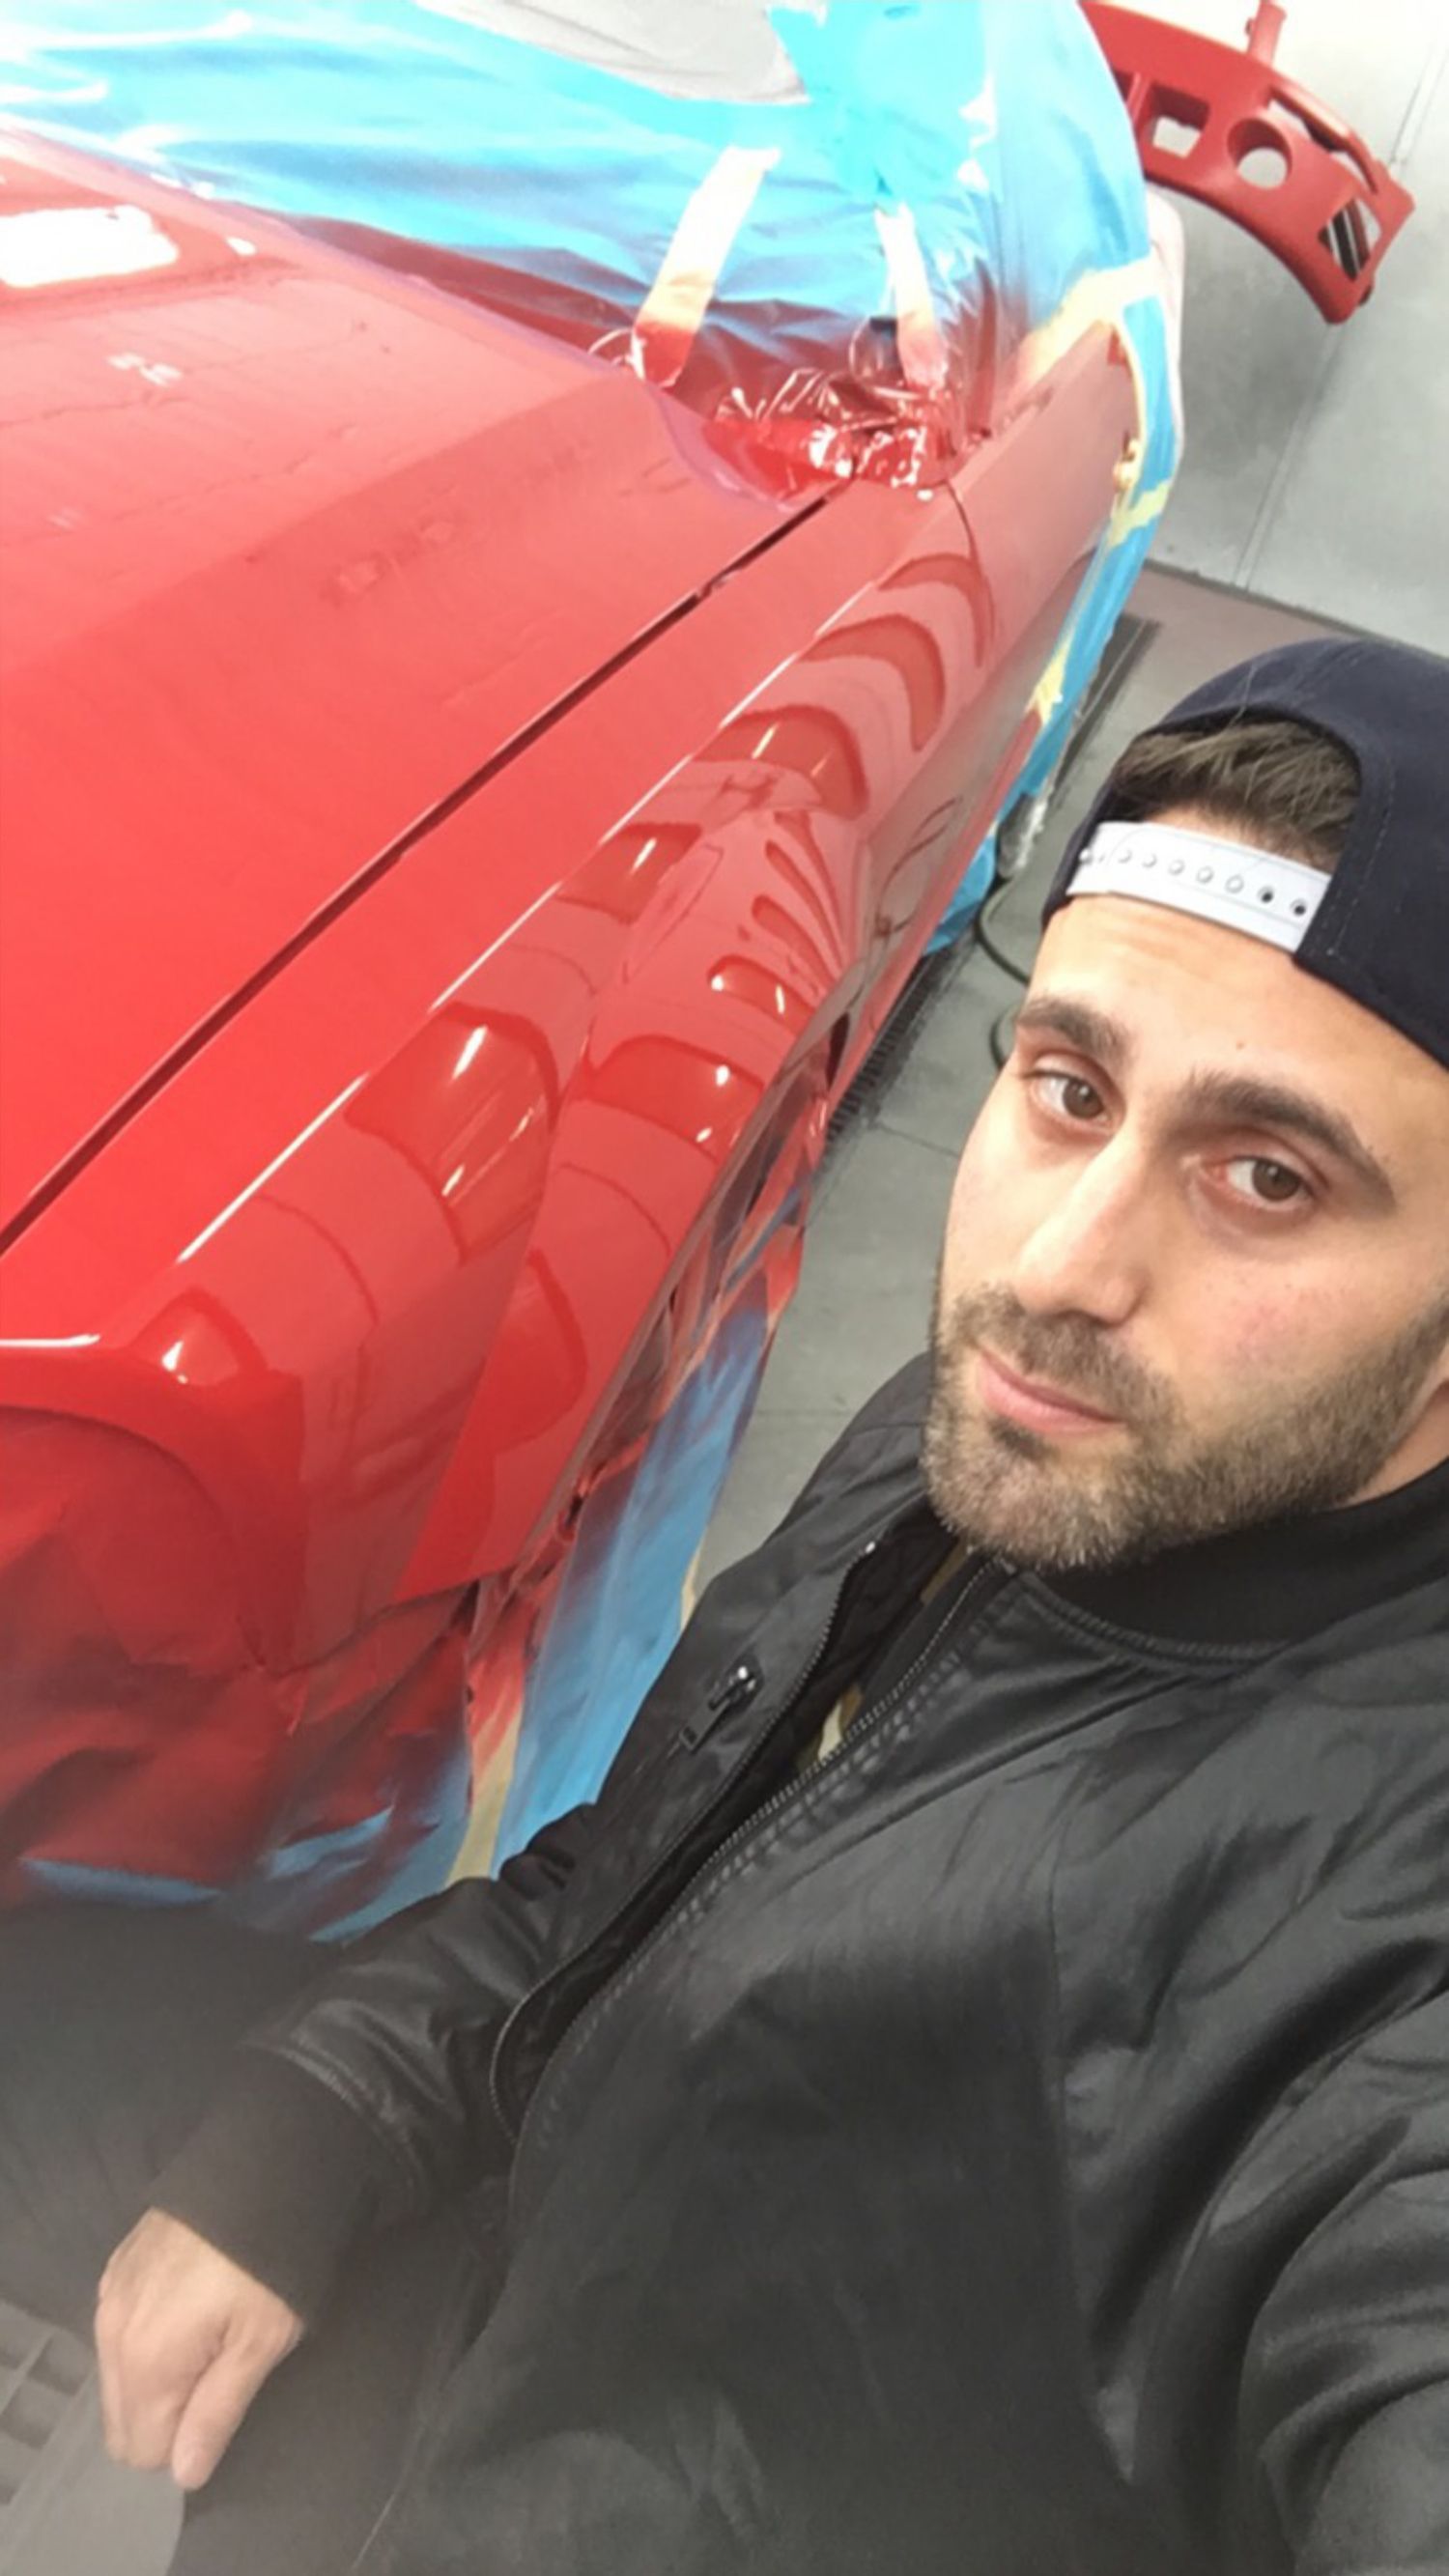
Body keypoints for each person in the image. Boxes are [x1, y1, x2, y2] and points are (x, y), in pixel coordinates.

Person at [3, 636, 1447, 2576]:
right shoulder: (1001, 1435)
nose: (1059, 1264)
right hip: (466, 2271)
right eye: (1068, 1086)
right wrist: (322, 2116)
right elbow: (634, 1878)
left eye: (1267, 1176)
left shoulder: (1388, 1946)